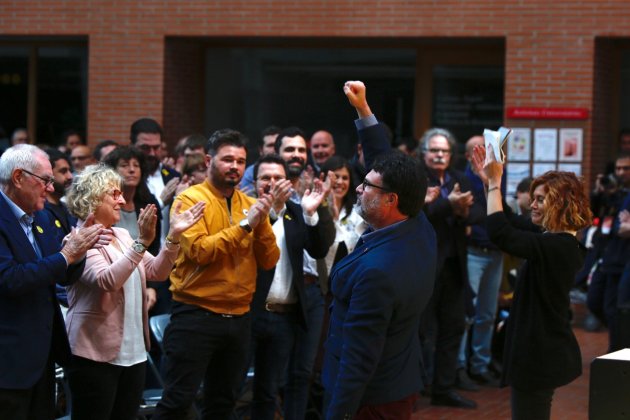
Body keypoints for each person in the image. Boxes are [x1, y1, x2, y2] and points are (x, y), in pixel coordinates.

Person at [321, 80, 437, 420]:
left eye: (366, 186)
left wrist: (338, 414)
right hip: (399, 381)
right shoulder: (419, 227)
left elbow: (359, 358)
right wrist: (363, 109)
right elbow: (383, 165)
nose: (358, 187)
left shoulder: (378, 274)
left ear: (391, 200)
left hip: (371, 400)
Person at [154, 129, 280, 420]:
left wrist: (260, 224)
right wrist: (246, 226)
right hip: (196, 315)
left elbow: (269, 260)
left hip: (238, 318)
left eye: (240, 160)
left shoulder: (249, 205)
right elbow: (200, 251)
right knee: (177, 401)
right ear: (209, 160)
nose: (234, 166)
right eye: (227, 159)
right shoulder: (189, 200)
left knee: (223, 405)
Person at [64, 164, 205, 420]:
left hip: (134, 352)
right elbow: (107, 280)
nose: (121, 199)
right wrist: (141, 243)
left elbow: (157, 272)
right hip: (95, 355)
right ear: (93, 198)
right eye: (113, 194)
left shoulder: (122, 235)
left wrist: (173, 237)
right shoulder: (77, 240)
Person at [471, 143, 593, 420]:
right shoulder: (554, 237)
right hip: (539, 349)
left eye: (540, 200)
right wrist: (489, 182)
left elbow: (501, 232)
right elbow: (511, 219)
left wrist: (494, 184)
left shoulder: (559, 245)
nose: (532, 204)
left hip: (541, 353)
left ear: (560, 204)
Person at [0, 144, 108, 419]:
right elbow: (10, 279)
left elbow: (61, 273)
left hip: (43, 355)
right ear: (18, 177)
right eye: (45, 180)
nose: (51, 188)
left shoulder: (43, 217)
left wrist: (80, 251)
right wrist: (66, 255)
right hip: (8, 362)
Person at [249, 154, 335, 420]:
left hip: (284, 314)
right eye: (266, 178)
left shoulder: (298, 212)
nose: (273, 183)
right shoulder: (247, 211)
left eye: (278, 178)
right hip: (250, 312)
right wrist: (272, 211)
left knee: (270, 388)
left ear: (288, 182)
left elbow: (319, 248)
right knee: (234, 386)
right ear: (255, 183)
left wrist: (312, 213)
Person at [418, 127, 483, 409]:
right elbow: (419, 214)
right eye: (434, 150)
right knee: (422, 331)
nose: (440, 155)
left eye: (444, 151)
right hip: (424, 266)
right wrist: (448, 204)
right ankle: (417, 388)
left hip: (455, 265)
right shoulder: (417, 179)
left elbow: (479, 212)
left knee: (453, 327)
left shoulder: (458, 177)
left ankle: (443, 388)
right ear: (424, 153)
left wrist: (463, 210)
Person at [456, 135, 503, 390]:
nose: (487, 155)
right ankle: (460, 365)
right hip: (474, 251)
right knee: (469, 314)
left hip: (495, 253)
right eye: (481, 151)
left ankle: (481, 364)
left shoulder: (494, 176)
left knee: (487, 314)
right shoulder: (463, 179)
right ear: (470, 155)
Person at [103, 146, 168, 314]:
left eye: (136, 165)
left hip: (144, 276)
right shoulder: (104, 204)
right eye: (124, 165)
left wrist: (152, 287)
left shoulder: (148, 201)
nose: (131, 170)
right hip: (113, 277)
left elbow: (153, 247)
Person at [319, 155, 368, 277]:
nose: (340, 182)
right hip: (317, 282)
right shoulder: (314, 207)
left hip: (347, 280)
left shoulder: (357, 212)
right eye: (335, 177)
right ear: (324, 178)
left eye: (345, 178)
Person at [240, 125, 281, 195]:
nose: (275, 149)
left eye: (278, 145)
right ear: (261, 150)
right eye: (270, 145)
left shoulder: (291, 168)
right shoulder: (250, 173)